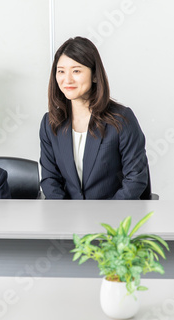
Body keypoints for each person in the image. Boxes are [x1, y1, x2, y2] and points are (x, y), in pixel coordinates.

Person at [40, 36, 150, 199]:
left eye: (76, 71)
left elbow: (135, 178)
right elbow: (50, 180)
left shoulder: (121, 119)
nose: (67, 79)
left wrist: (105, 219)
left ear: (95, 76)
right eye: (61, 71)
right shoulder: (50, 123)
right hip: (67, 218)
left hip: (114, 219)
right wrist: (64, 216)